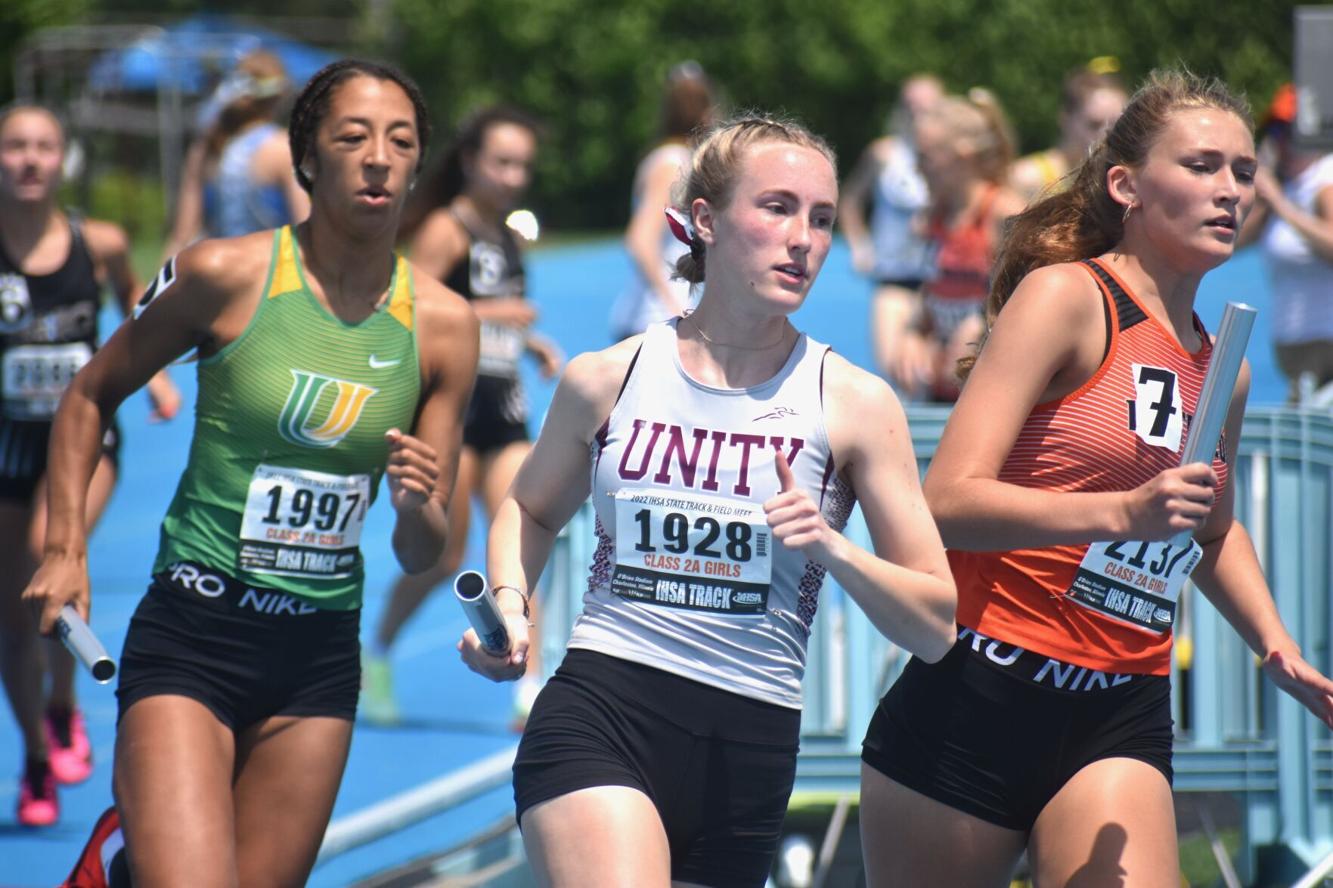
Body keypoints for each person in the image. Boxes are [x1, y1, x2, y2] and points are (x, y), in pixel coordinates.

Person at [860, 70, 1333, 887]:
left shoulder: (1224, 363)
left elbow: (1208, 531)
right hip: (982, 689)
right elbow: (945, 501)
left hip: (1120, 704)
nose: (1229, 190)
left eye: (1244, 171)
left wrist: (1274, 644)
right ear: (1125, 186)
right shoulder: (1065, 300)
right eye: (1201, 166)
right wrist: (1119, 512)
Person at [459, 114, 957, 888]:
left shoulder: (854, 402)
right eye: (777, 208)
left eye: (822, 219)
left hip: (749, 745)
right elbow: (526, 509)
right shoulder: (608, 376)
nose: (803, 239)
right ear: (704, 221)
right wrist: (513, 607)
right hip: (604, 706)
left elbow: (933, 626)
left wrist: (833, 547)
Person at [23, 59, 478, 885]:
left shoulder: (445, 326)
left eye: (400, 141)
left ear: (416, 165)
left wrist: (418, 508)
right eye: (354, 136)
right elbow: (89, 395)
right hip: (193, 634)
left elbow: (423, 549)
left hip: (316, 657)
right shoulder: (224, 274)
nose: (379, 156)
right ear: (306, 158)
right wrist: (64, 548)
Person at [0, 102, 179, 827]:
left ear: (63, 158)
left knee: (56, 549)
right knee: (12, 616)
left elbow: (137, 302)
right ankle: (37, 756)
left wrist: (158, 373)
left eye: (44, 146)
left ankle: (64, 703)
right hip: (9, 443)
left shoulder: (97, 240)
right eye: (15, 146)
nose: (31, 159)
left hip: (85, 437)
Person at [363, 106, 560, 725]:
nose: (512, 176)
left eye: (523, 165)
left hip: (504, 405)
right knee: (445, 555)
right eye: (501, 162)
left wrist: (533, 345)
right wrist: (497, 313)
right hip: (452, 409)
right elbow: (406, 309)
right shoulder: (448, 230)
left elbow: (496, 317)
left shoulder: (508, 236)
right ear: (471, 161)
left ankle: (531, 684)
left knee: (529, 535)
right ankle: (379, 651)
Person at [896, 90, 1024, 402]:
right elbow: (928, 293)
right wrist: (913, 334)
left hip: (991, 387)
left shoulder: (1002, 213)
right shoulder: (930, 219)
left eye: (925, 157)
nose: (917, 169)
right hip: (940, 384)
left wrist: (981, 323)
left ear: (962, 156)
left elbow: (1027, 299)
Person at [837, 73, 943, 383]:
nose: (918, 116)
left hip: (937, 283)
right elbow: (851, 200)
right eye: (911, 108)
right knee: (894, 370)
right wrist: (860, 245)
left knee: (935, 375)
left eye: (927, 108)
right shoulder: (884, 154)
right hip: (894, 277)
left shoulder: (952, 160)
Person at [1237, 83, 1333, 403]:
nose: (1283, 143)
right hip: (1297, 353)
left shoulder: (1324, 179)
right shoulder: (1287, 187)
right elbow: (1234, 242)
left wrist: (1280, 204)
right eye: (1276, 133)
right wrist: (1262, 192)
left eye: (1290, 132)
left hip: (1326, 347)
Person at [162, 50, 310, 256]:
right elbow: (306, 231)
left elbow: (181, 238)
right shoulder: (282, 148)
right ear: (280, 95)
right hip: (272, 278)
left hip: (220, 278)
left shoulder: (207, 146)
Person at [609, 61, 717, 341]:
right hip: (655, 320)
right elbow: (640, 240)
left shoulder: (676, 159)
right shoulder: (672, 163)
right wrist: (672, 303)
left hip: (661, 318)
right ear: (707, 112)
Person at [1009, 62, 1128, 205]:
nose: (1107, 134)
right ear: (1065, 119)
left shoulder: (1125, 178)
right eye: (1094, 124)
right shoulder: (1027, 178)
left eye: (1117, 124)